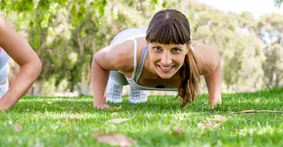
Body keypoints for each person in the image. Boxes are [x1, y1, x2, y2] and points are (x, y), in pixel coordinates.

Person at [91, 9, 221, 108]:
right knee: (118, 79)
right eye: (158, 49)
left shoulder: (204, 58)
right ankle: (125, 84)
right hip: (129, 41)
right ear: (147, 43)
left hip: (149, 47)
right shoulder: (125, 54)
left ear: (187, 47)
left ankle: (137, 87)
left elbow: (215, 66)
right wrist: (99, 103)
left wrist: (215, 101)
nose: (165, 61)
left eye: (175, 50)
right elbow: (98, 60)